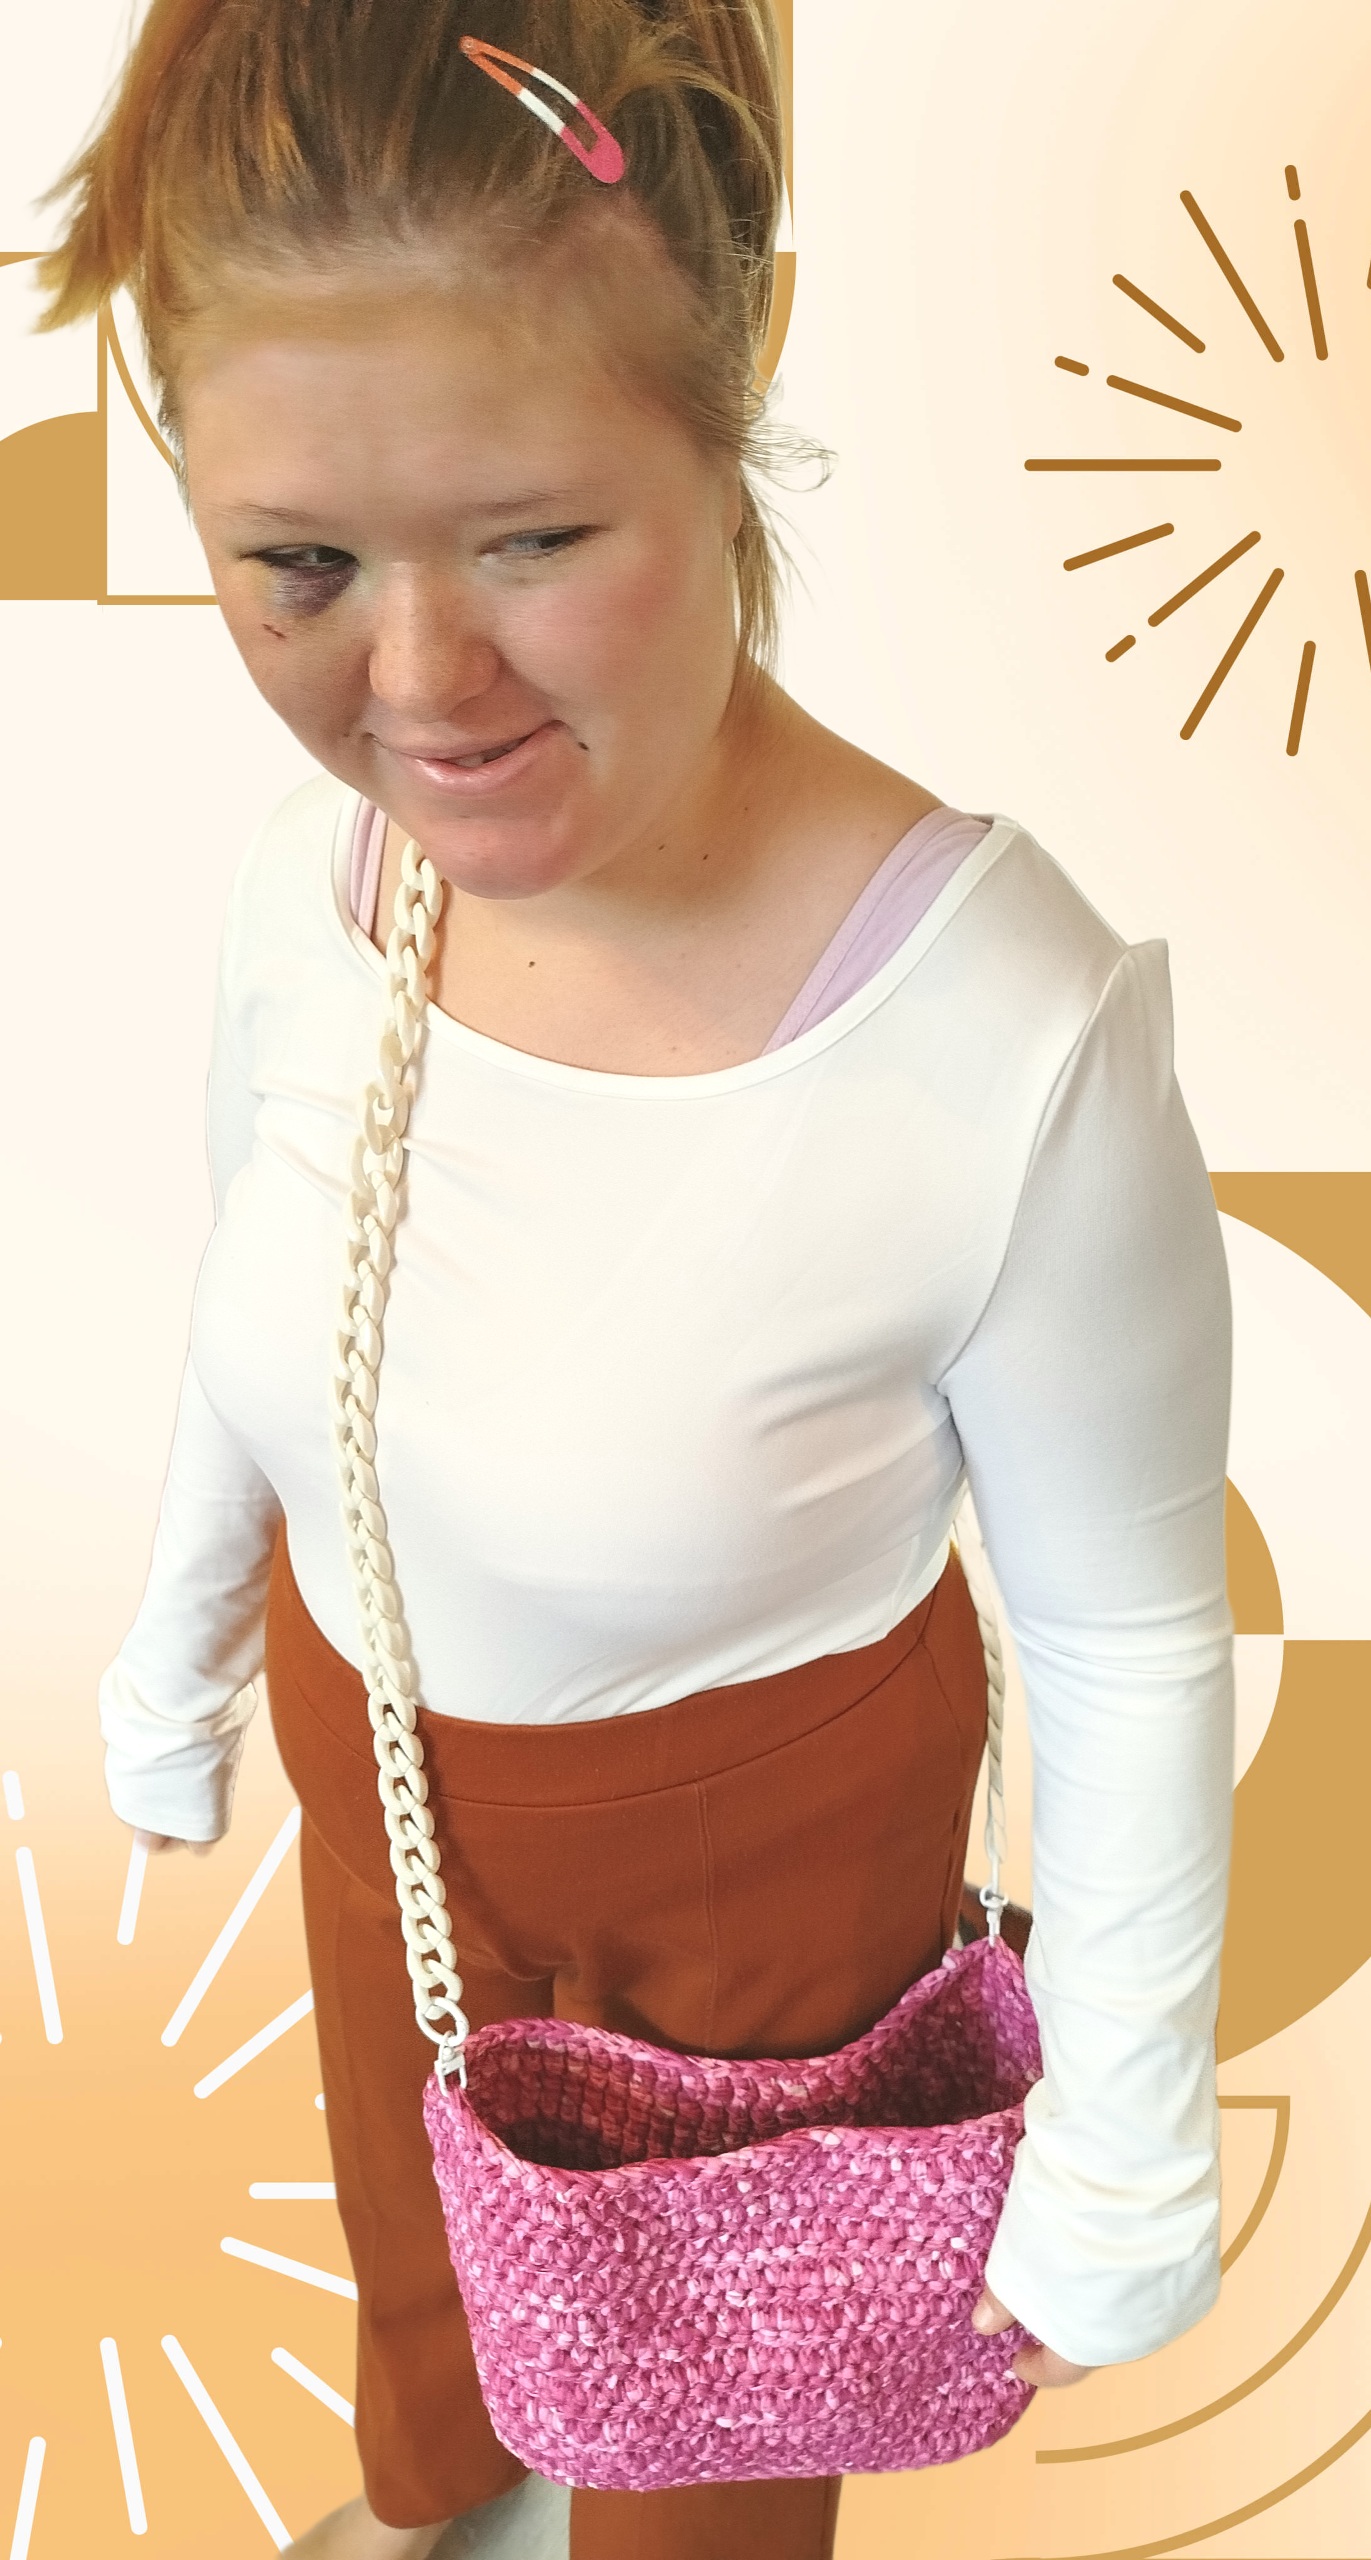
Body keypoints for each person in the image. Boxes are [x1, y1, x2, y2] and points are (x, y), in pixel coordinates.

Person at [39, 3, 1235, 2555]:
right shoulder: (313, 886)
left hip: (756, 1876)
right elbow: (276, 1287)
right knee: (424, 2248)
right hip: (387, 1778)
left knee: (703, 2420)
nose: (415, 686)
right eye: (297, 564)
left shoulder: (1000, 1033)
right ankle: (441, 2487)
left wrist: (1123, 2140)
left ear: (736, 382)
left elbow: (1125, 1635)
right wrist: (184, 1637)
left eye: (535, 541)